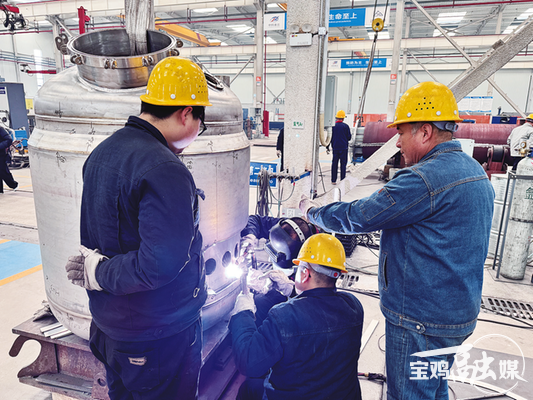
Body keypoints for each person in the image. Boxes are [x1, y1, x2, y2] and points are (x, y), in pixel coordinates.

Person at [300, 81, 495, 400]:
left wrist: (313, 212)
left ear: (425, 132)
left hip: (420, 321)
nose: (398, 143)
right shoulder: (474, 171)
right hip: (457, 315)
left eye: (401, 133)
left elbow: (360, 215)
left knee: (409, 395)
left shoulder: (423, 179)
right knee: (433, 387)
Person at [64, 57, 211, 400]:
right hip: (158, 338)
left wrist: (97, 273)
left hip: (111, 329)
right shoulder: (164, 168)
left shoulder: (103, 152)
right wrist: (99, 273)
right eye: (200, 125)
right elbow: (158, 264)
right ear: (186, 113)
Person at [230, 233, 364, 400]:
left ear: (305, 274)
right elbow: (318, 313)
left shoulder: (282, 317)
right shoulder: (354, 306)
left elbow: (247, 361)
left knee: (248, 388)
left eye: (298, 268)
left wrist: (243, 312)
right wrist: (292, 289)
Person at [239, 215, 319, 325]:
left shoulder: (316, 264)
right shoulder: (286, 228)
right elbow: (256, 220)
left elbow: (311, 307)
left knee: (260, 302)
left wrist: (289, 288)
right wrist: (250, 236)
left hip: (295, 297)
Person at [329, 110, 351, 184]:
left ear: (336, 118)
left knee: (334, 164)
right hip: (344, 148)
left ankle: (333, 180)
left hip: (335, 148)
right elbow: (349, 137)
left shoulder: (332, 127)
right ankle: (342, 180)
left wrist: (328, 146)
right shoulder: (346, 126)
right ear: (343, 118)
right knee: (343, 164)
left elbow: (329, 137)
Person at [0, 126, 18, 193]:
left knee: (3, 172)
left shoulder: (1, 129)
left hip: (1, 155)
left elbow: (8, 140)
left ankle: (13, 185)